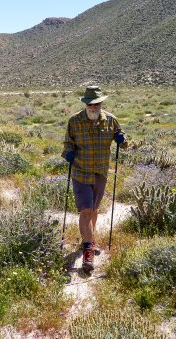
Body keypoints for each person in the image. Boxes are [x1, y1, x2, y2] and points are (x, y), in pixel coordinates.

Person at [62, 85, 127, 273]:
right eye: (90, 103)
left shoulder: (111, 121)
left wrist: (121, 139)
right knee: (86, 210)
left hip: (100, 172)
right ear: (85, 103)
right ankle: (88, 250)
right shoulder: (74, 121)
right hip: (81, 172)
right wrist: (68, 153)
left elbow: (122, 141)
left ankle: (87, 239)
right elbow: (67, 144)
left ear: (101, 103)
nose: (93, 107)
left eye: (97, 103)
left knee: (94, 210)